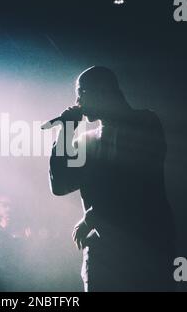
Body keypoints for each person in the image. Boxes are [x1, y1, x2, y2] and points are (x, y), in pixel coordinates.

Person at [49, 66, 176, 291]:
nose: (77, 100)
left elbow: (134, 181)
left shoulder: (145, 122)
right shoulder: (87, 142)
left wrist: (92, 216)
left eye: (82, 92)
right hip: (103, 254)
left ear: (103, 91)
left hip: (145, 248)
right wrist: (67, 131)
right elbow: (60, 185)